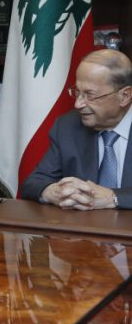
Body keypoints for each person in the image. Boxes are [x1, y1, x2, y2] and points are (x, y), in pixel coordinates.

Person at [21, 49, 132, 210]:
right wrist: (54, 192)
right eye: (77, 92)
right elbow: (34, 183)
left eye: (90, 95)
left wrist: (112, 197)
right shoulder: (68, 126)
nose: (78, 104)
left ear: (124, 96)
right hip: (80, 225)